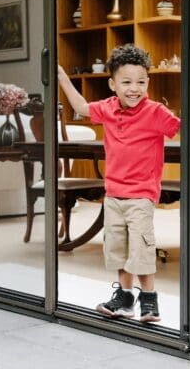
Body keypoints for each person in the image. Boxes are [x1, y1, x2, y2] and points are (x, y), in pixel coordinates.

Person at [58, 44, 181, 322]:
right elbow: (79, 106)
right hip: (113, 195)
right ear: (113, 84)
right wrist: (62, 76)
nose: (134, 88)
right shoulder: (107, 109)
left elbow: (181, 127)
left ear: (148, 82)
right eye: (126, 82)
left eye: (140, 82)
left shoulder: (155, 112)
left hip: (142, 195)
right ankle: (124, 299)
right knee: (118, 250)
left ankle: (149, 300)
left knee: (141, 249)